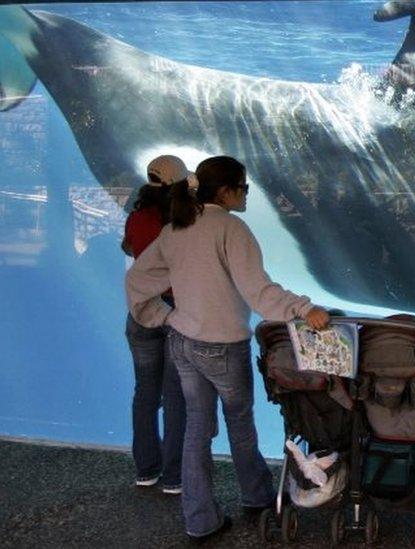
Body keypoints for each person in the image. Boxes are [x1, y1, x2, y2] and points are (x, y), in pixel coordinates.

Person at [125, 155, 331, 542]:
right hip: (222, 347)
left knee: (195, 431)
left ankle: (199, 520)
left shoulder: (176, 228)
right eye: (244, 188)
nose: (247, 195)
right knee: (239, 423)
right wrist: (305, 309)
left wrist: (165, 316)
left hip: (183, 343)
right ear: (226, 190)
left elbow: (137, 280)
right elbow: (259, 292)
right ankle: (256, 497)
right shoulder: (231, 229)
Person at [122, 154, 189, 495]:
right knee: (176, 395)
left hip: (142, 311)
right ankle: (175, 476)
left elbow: (131, 248)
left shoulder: (135, 217)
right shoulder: (181, 223)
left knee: (145, 394)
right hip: (177, 311)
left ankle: (146, 469)